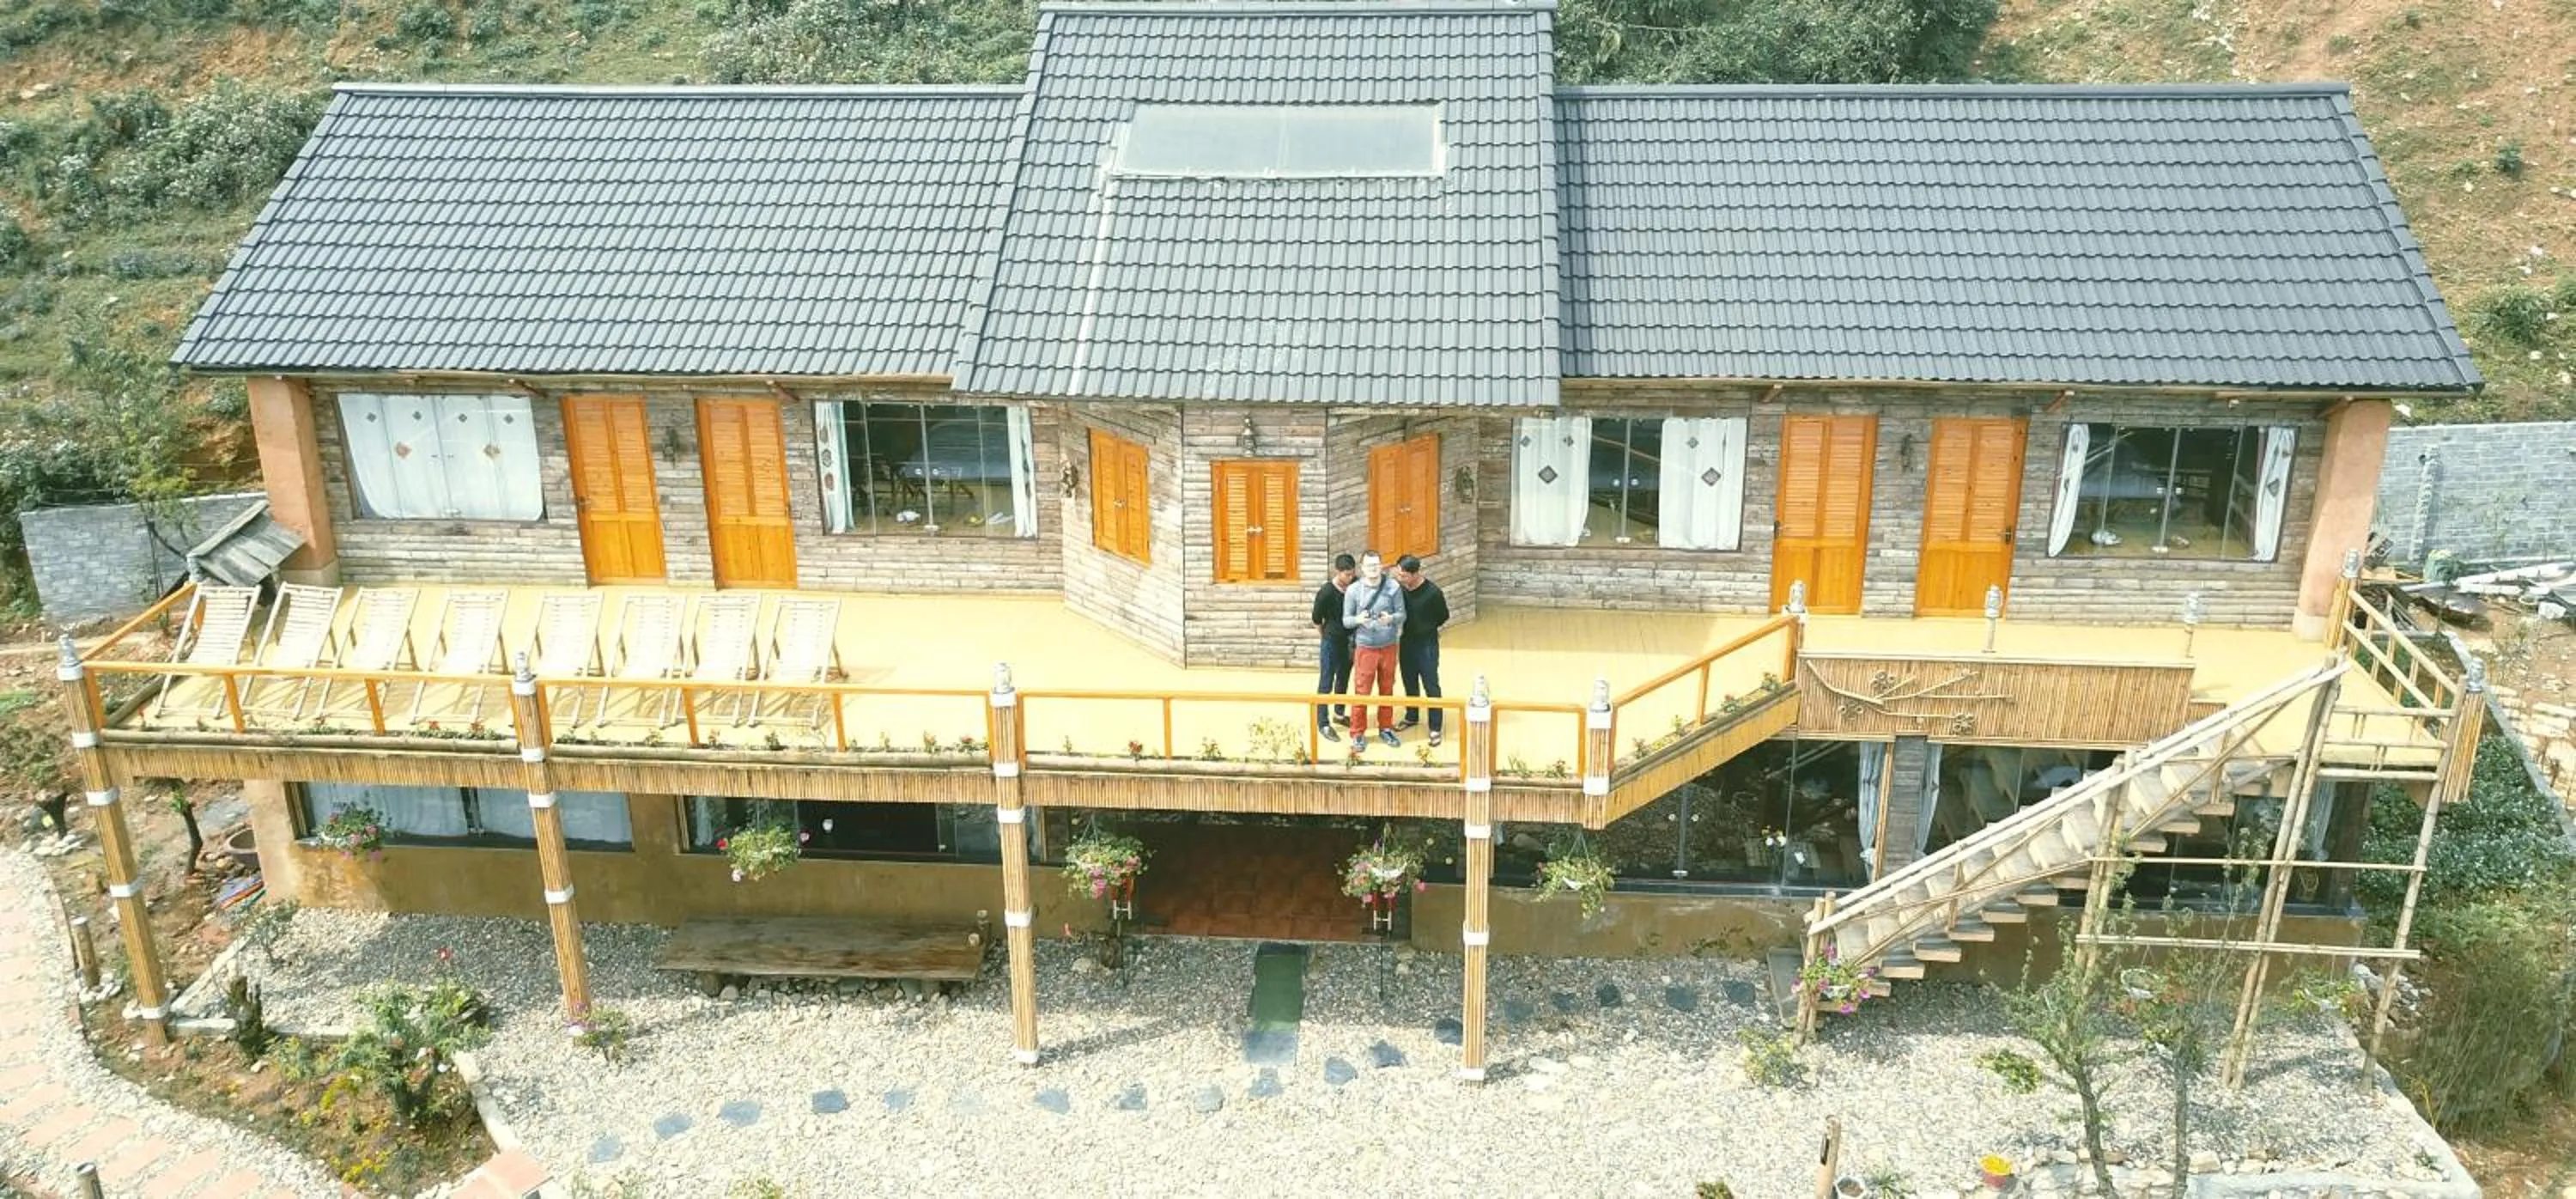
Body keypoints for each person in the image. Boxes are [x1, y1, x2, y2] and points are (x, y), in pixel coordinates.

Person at [1340, 551, 1406, 752]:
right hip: (1365, 647)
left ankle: (1385, 728)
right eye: (1369, 565)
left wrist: (1391, 619)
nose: (1374, 569)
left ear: (1382, 565)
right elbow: (1346, 620)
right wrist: (1358, 620)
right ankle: (1357, 733)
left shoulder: (1393, 587)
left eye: (1377, 565)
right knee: (1362, 691)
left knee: (1387, 689)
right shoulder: (1353, 590)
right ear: (1362, 568)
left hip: (1389, 646)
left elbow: (1402, 614)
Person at [1393, 554, 1449, 746]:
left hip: (1427, 644)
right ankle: (1411, 715)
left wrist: (1426, 627)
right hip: (1406, 642)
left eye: (1404, 575)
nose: (1400, 578)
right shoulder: (1400, 590)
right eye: (1399, 574)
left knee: (1431, 685)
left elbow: (1443, 616)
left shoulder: (1433, 592)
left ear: (1415, 573)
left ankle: (1435, 727)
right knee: (1409, 681)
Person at [1310, 552, 1358, 741]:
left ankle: (1339, 713)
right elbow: (1316, 619)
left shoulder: (1355, 586)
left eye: (1352, 573)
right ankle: (1323, 722)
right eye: (1347, 574)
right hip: (1331, 641)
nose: (1350, 577)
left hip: (1349, 642)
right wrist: (1325, 637)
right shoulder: (1327, 592)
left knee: (1343, 678)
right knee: (1326, 682)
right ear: (1337, 571)